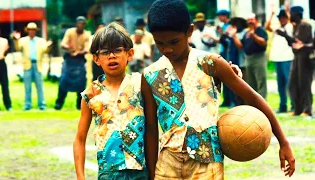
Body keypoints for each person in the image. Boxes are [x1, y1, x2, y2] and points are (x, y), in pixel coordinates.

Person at [144, 0, 295, 179]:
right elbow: (151, 127)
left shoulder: (210, 63)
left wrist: (283, 142)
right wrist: (152, 173)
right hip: (167, 163)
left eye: (174, 41)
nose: (167, 49)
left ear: (189, 31)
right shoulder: (150, 75)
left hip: (208, 161)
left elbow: (253, 98)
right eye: (159, 43)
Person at [73, 22, 157, 179]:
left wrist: (153, 172)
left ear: (129, 54)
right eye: (105, 52)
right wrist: (80, 177)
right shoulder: (90, 94)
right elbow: (79, 138)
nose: (112, 56)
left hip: (140, 171)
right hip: (108, 172)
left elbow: (152, 128)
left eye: (117, 50)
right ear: (97, 59)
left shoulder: (141, 84)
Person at [278, 6, 314, 117]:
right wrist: (284, 35)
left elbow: (301, 43)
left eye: (291, 13)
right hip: (297, 58)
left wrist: (286, 35)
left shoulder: (304, 25)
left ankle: (307, 110)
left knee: (304, 84)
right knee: (293, 84)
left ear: (297, 14)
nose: (289, 16)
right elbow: (293, 44)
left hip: (306, 59)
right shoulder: (296, 26)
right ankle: (297, 109)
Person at [54, 16, 91, 110]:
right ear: (76, 24)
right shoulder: (70, 32)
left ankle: (79, 105)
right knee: (63, 81)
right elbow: (63, 44)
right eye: (79, 23)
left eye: (82, 24)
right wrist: (68, 47)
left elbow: (87, 49)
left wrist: (78, 52)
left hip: (79, 60)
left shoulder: (87, 34)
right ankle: (59, 103)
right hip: (69, 59)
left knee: (81, 83)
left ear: (84, 25)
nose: (80, 25)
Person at [13, 22, 52, 110]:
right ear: (28, 31)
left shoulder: (41, 41)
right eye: (30, 30)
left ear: (35, 31)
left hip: (38, 65)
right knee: (27, 87)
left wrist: (49, 45)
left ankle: (42, 105)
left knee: (39, 86)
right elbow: (18, 48)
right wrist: (16, 40)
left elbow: (45, 50)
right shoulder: (23, 40)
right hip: (27, 65)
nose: (32, 32)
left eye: (33, 30)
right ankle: (27, 105)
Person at [265, 7, 294, 113]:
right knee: (280, 84)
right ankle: (283, 105)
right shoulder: (277, 28)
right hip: (278, 59)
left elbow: (291, 23)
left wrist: (287, 11)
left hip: (287, 58)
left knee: (289, 83)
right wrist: (271, 14)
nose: (282, 20)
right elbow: (267, 27)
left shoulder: (290, 27)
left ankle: (293, 104)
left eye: (284, 18)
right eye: (280, 18)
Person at [233, 13, 268, 99]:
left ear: (256, 20)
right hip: (248, 58)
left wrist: (254, 36)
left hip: (259, 57)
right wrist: (234, 36)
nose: (250, 21)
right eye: (248, 20)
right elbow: (241, 46)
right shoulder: (247, 33)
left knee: (260, 81)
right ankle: (255, 103)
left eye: (252, 19)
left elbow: (264, 43)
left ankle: (263, 102)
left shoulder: (260, 30)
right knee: (251, 82)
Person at [217, 10, 237, 108]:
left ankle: (233, 100)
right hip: (223, 51)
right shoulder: (223, 26)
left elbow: (229, 39)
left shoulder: (230, 25)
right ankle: (226, 100)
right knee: (223, 77)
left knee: (230, 75)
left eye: (221, 16)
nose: (219, 18)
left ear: (225, 16)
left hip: (229, 52)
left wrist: (223, 33)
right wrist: (221, 33)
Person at [0, 26, 12, 111]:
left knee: (5, 86)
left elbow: (7, 51)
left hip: (2, 63)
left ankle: (8, 105)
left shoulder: (4, 41)